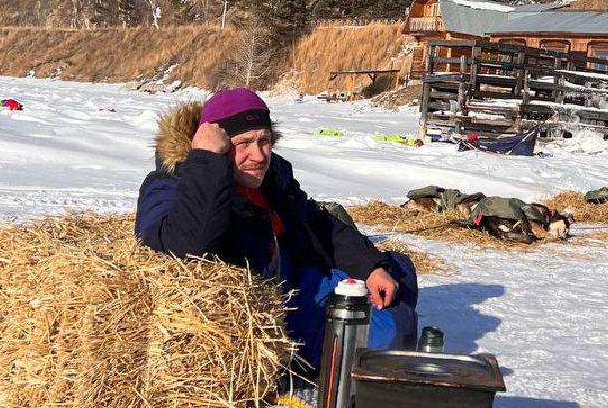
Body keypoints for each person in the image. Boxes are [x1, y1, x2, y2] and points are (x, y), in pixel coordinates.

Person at [135, 87, 417, 367]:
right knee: (389, 338)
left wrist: (371, 268)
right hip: (267, 308)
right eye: (244, 143)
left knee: (399, 270)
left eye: (264, 141)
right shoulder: (170, 183)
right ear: (217, 144)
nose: (258, 156)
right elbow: (186, 247)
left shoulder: (272, 178)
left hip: (303, 278)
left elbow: (319, 224)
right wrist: (207, 161)